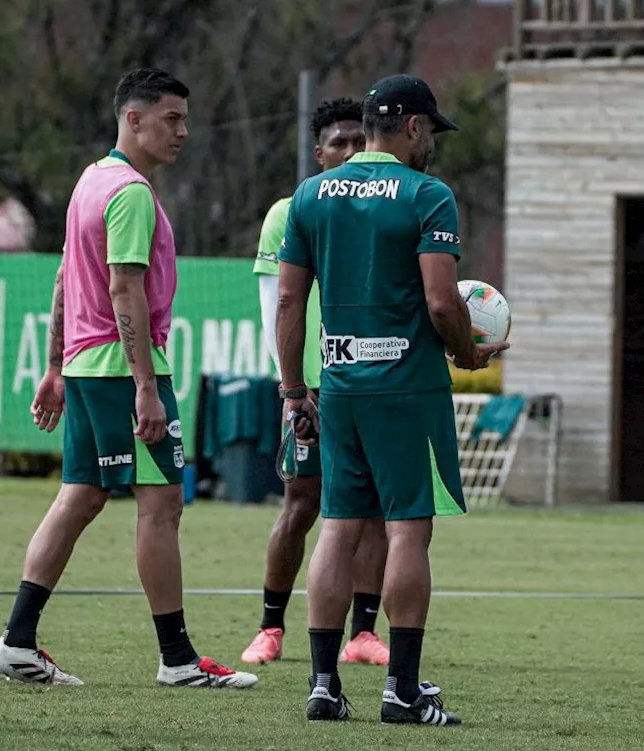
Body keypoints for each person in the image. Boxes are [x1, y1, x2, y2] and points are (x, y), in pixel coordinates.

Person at [0, 68, 256, 690]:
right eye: (171, 118)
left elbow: (62, 278)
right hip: (121, 371)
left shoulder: (91, 180)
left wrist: (56, 365)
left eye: (185, 119)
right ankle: (178, 660)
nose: (182, 131)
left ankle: (18, 641)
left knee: (80, 496)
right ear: (132, 119)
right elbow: (123, 287)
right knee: (161, 506)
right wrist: (145, 385)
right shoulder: (131, 192)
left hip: (85, 367)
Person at [277, 73, 507, 725]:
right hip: (408, 387)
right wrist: (466, 352)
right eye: (429, 129)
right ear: (410, 127)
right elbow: (441, 300)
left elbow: (291, 299)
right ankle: (401, 690)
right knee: (408, 529)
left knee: (339, 526)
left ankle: (323, 685)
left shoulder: (311, 194)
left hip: (341, 384)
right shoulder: (428, 195)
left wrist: (295, 388)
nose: (431, 142)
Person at [242, 97, 390, 667]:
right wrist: (294, 389)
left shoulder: (384, 208)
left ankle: (364, 633)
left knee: (373, 509)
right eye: (339, 143)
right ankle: (270, 627)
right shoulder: (290, 212)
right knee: (302, 504)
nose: (351, 151)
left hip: (369, 382)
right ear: (319, 152)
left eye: (360, 140)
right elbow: (276, 304)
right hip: (310, 389)